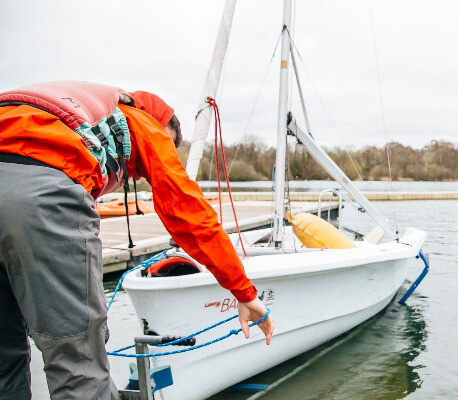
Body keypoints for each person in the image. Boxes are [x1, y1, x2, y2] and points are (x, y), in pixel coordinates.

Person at [0, 81, 274, 400]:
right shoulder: (139, 120)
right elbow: (187, 211)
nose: (139, 175)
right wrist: (243, 290)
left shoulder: (65, 109)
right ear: (160, 125)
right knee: (78, 368)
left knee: (5, 359)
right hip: (40, 194)